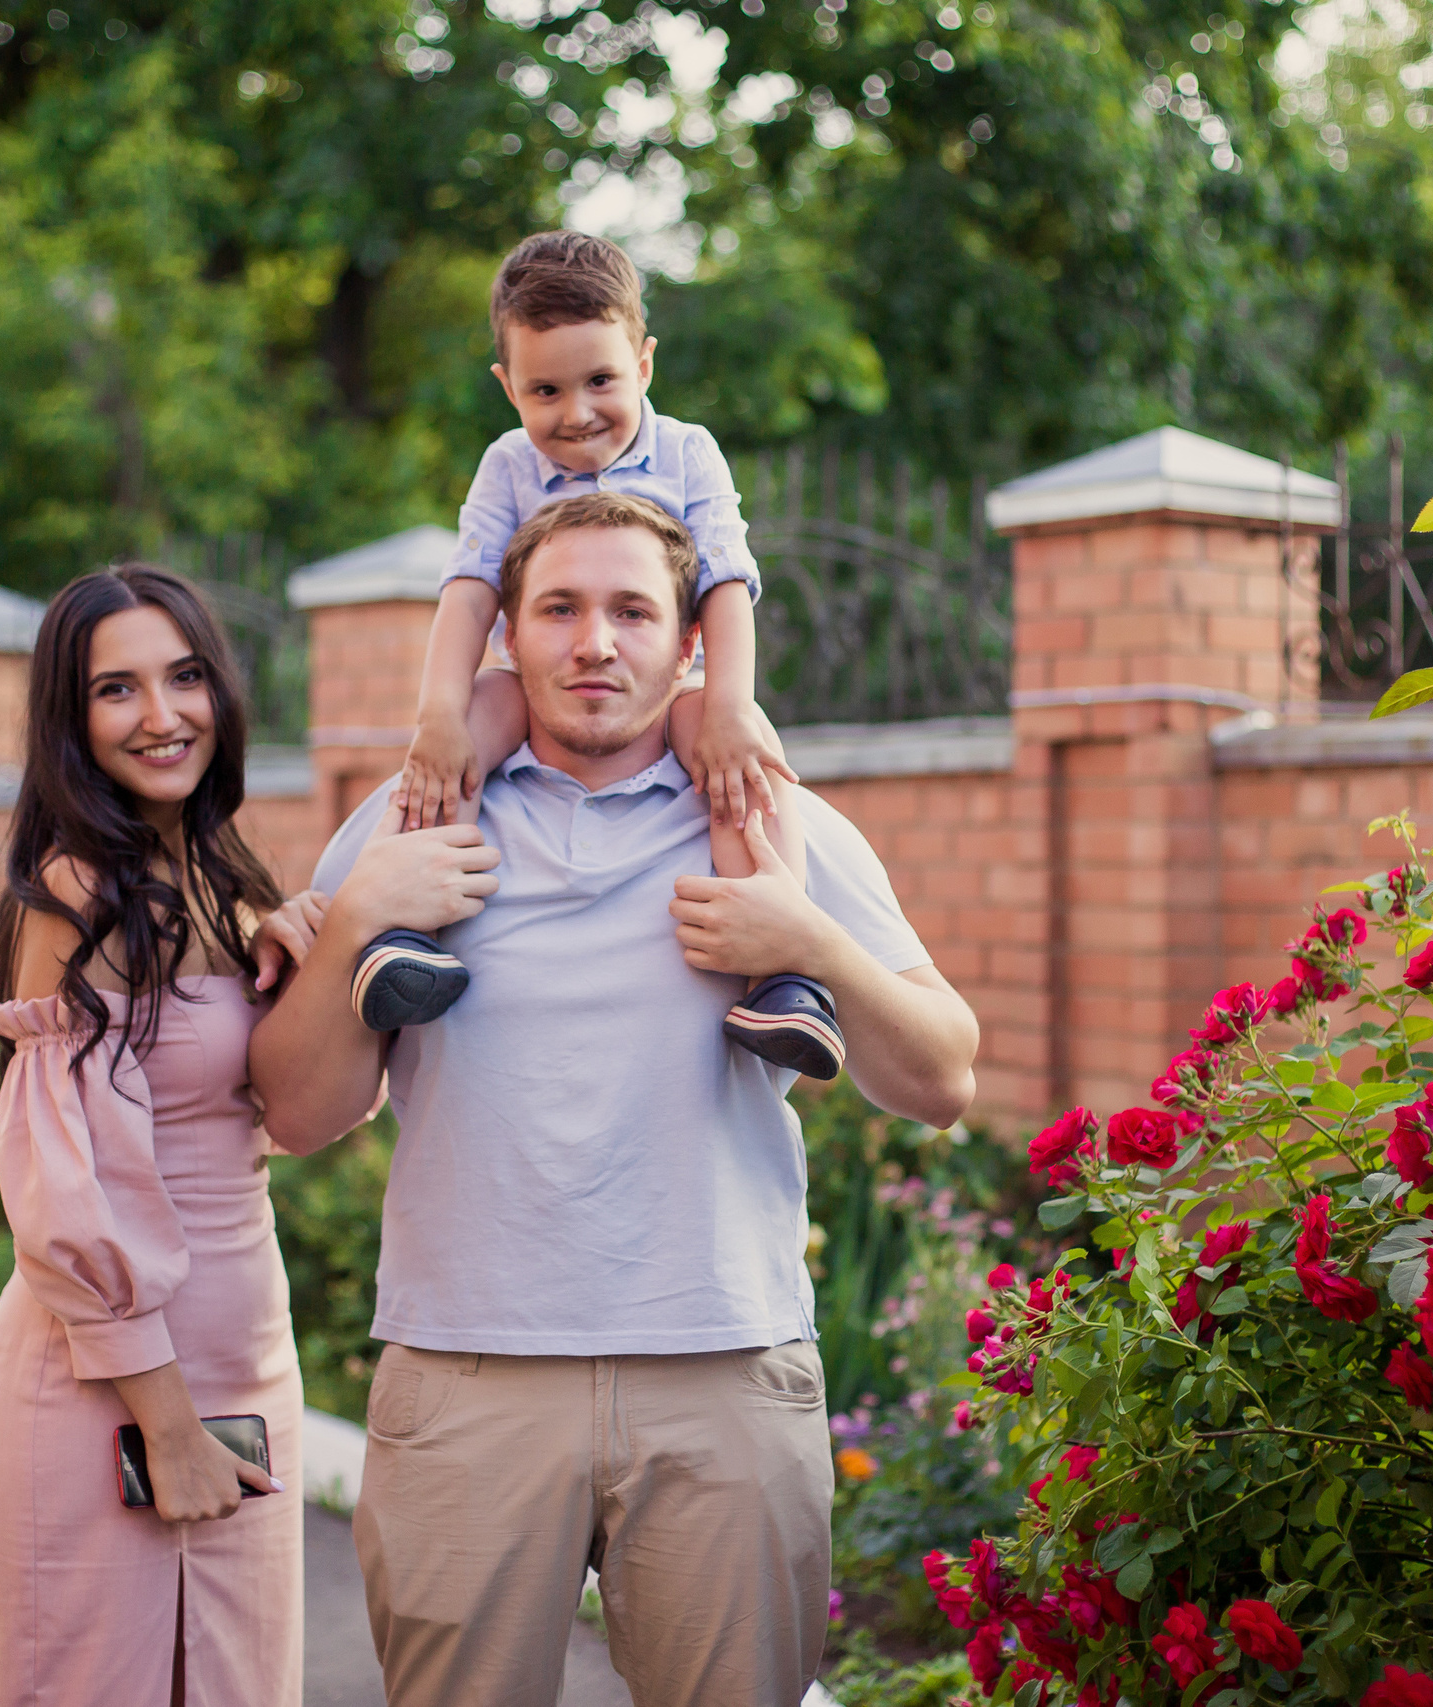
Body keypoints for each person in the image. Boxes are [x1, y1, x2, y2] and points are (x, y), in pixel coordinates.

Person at [250, 493, 980, 1707]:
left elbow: (942, 1078)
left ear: (691, 641)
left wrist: (814, 943)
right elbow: (297, 1112)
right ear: (510, 638)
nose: (596, 641)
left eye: (633, 610)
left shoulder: (770, 824)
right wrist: (358, 924)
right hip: (468, 1378)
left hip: (723, 1372)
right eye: (562, 608)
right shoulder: (415, 817)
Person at [0, 564, 334, 1707]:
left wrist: (313, 953)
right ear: (70, 722)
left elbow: (295, 1114)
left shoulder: (219, 877)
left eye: (183, 678)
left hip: (244, 1369)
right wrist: (164, 1425)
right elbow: (61, 1187)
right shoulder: (78, 896)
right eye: (115, 689)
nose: (161, 715)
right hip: (113, 1396)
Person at [348, 230, 843, 1081]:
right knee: (465, 731)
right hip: (528, 678)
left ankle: (786, 971)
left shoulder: (687, 451)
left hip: (673, 686)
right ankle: (412, 936)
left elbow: (725, 581)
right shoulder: (508, 464)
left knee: (744, 763)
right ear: (507, 386)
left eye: (601, 381)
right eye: (546, 389)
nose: (575, 412)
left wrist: (726, 702)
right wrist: (437, 713)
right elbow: (469, 588)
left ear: (644, 364)